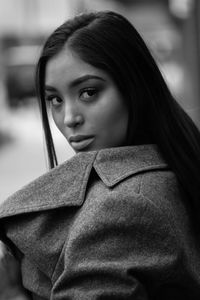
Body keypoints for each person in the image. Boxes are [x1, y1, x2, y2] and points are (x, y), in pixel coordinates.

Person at [0, 10, 200, 300]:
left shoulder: (121, 207)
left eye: (88, 92)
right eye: (55, 99)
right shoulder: (178, 163)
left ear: (134, 87)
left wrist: (13, 297)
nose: (69, 118)